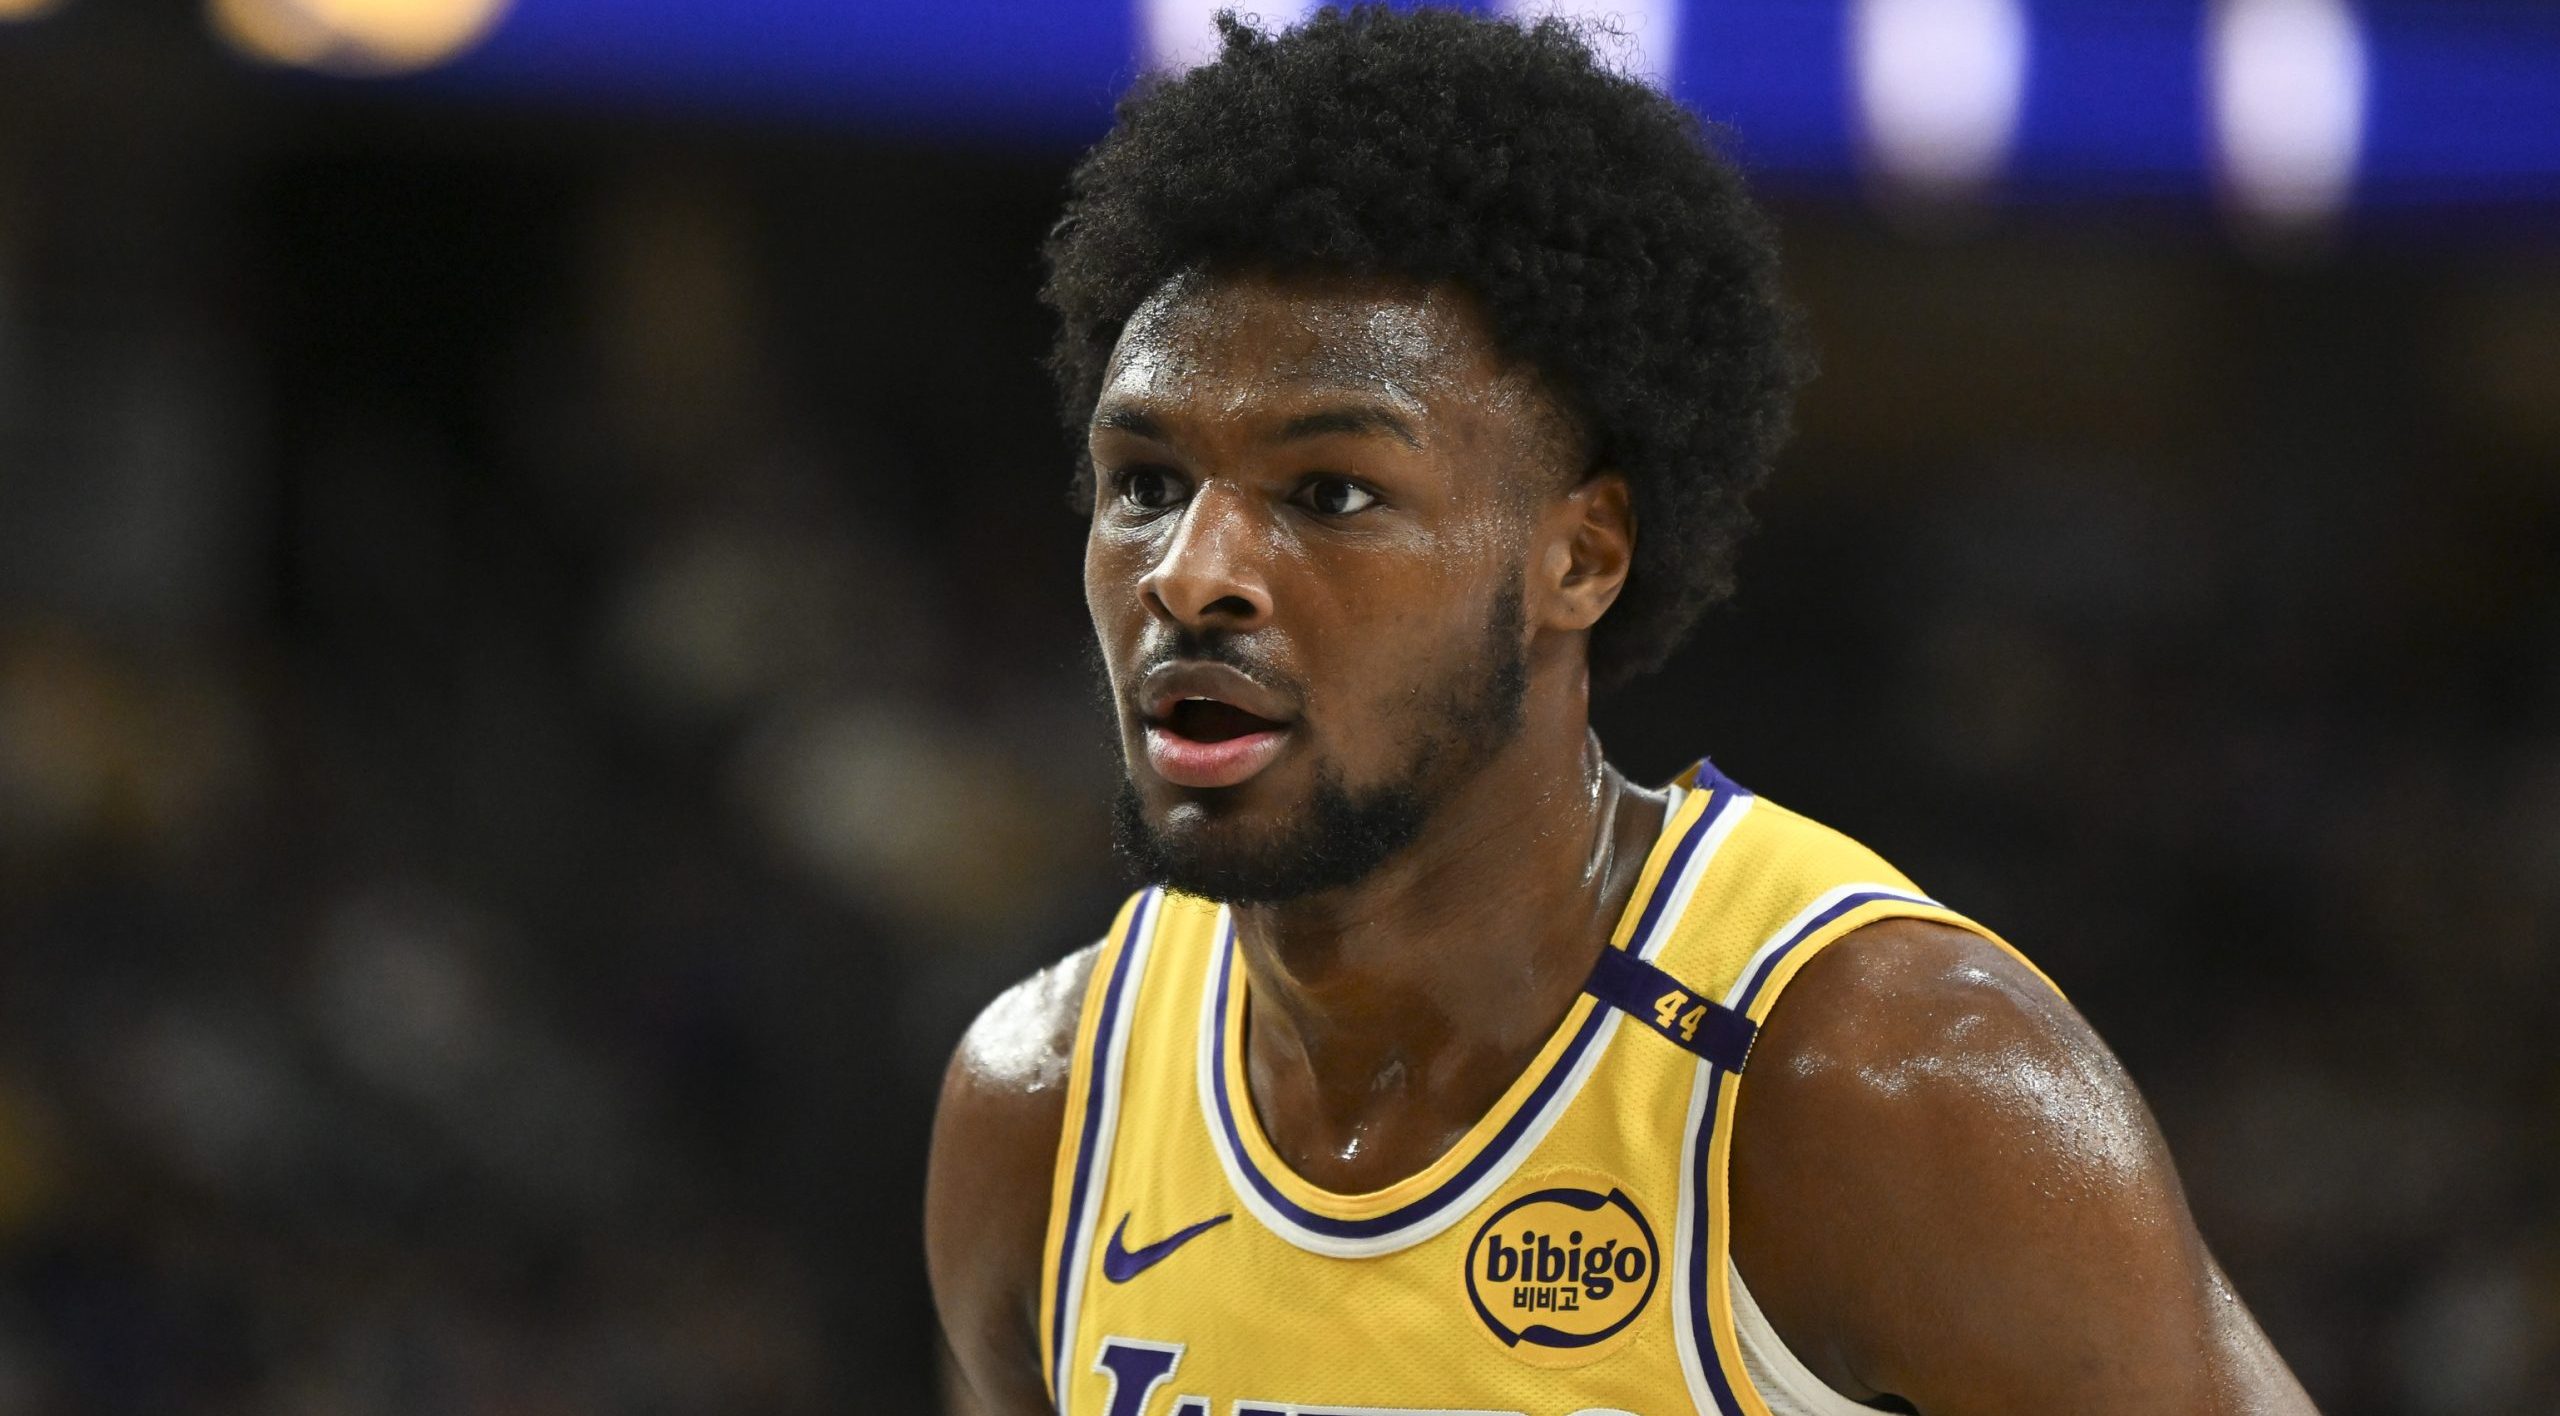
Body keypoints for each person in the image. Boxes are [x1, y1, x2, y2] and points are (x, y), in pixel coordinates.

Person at [926, 8, 2318, 1414]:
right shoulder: (1044, 1103)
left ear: (1580, 557)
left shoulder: (1890, 1088)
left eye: (1330, 492)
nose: (1194, 573)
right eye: (1147, 483)